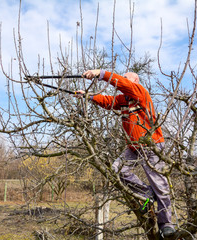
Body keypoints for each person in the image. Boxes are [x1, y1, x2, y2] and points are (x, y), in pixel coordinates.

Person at [75, 69, 176, 237]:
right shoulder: (123, 100)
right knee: (117, 169)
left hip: (151, 145)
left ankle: (166, 223)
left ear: (134, 82)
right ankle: (146, 193)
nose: (123, 81)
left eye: (127, 79)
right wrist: (88, 95)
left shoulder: (139, 92)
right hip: (133, 147)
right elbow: (107, 101)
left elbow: (123, 84)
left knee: (160, 184)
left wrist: (100, 73)